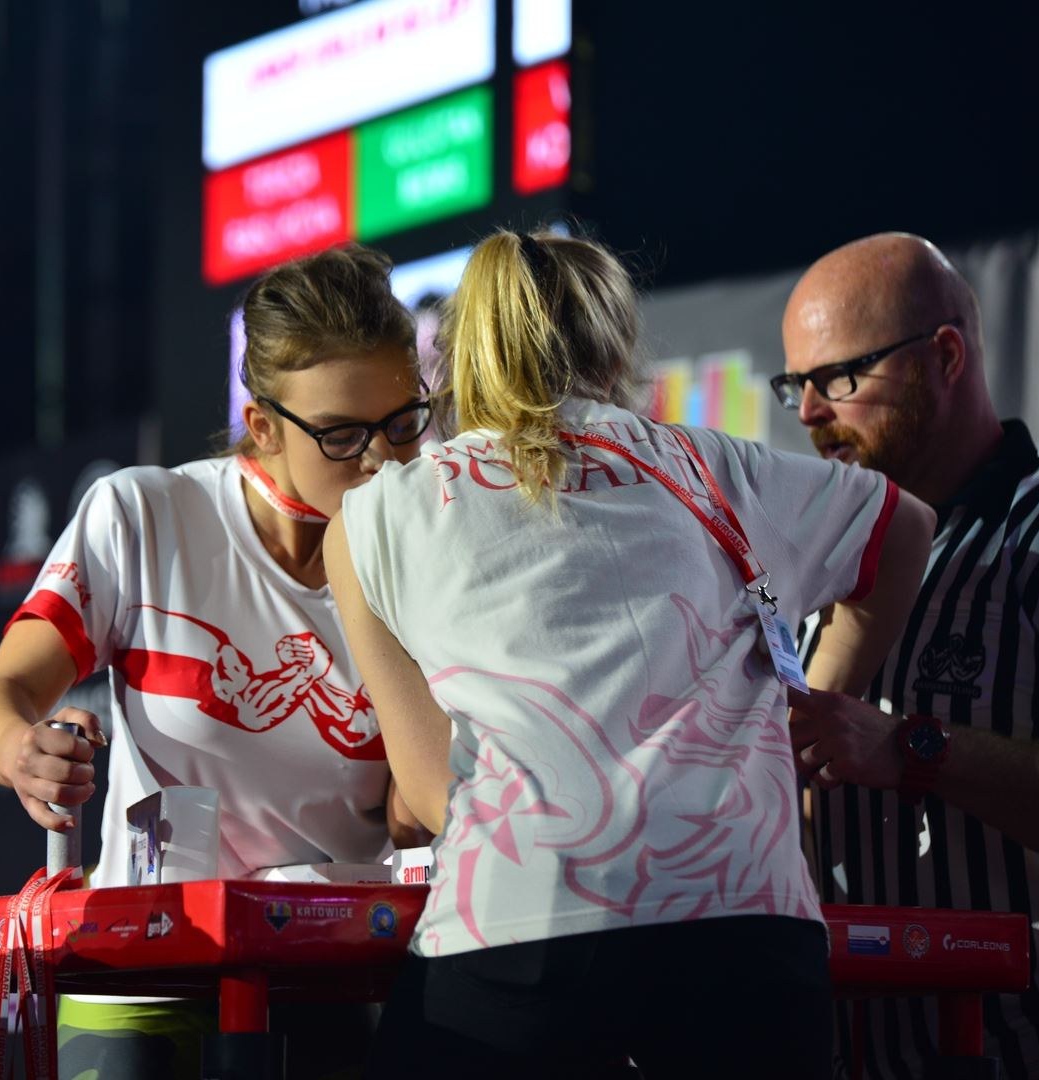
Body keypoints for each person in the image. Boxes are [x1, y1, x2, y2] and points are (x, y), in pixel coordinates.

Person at [324, 229, 937, 1078]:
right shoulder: (712, 466)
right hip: (743, 919)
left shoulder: (376, 518)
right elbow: (905, 527)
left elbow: (433, 792)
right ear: (615, 351)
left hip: (520, 921)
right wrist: (812, 710)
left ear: (458, 360)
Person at [0, 244, 431, 1079]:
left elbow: (408, 813)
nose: (381, 463)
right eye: (342, 435)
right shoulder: (145, 515)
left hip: (334, 974)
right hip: (147, 974)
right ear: (262, 426)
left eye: (402, 425)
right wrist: (19, 752)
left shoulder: (423, 550)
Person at [778, 233, 1039, 1079]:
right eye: (796, 384)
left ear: (943, 357)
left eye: (840, 377)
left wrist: (912, 748)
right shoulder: (822, 569)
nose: (808, 412)